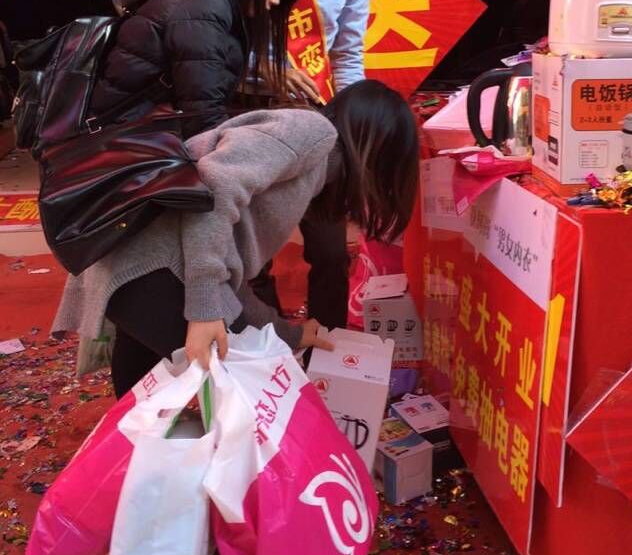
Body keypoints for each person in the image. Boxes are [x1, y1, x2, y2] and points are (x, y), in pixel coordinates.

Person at [52, 79, 419, 397]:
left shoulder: (313, 170)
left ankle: (135, 454)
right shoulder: (314, 132)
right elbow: (215, 188)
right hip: (152, 270)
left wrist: (290, 335)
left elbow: (231, 285)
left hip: (140, 269)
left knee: (146, 393)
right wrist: (205, 308)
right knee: (249, 392)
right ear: (378, 150)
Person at [89, 0, 305, 139]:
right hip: (127, 138)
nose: (276, 0)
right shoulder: (205, 6)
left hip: (130, 130)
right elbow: (203, 119)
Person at [285, 0, 381, 332]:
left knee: (328, 249)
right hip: (245, 117)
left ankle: (327, 349)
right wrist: (265, 66)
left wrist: (353, 124)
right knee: (245, 256)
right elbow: (215, 28)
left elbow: (347, 54)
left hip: (314, 121)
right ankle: (258, 352)